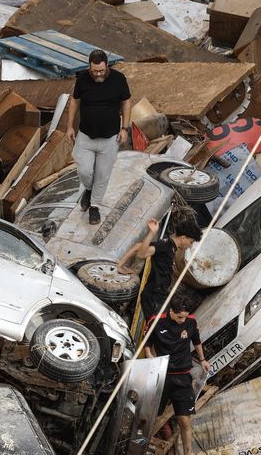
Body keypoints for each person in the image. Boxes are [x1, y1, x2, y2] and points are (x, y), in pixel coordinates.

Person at [144, 291, 210, 455]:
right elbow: (147, 345)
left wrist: (203, 360)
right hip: (162, 377)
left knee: (185, 422)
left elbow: (196, 341)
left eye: (184, 316)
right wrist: (152, 361)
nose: (182, 320)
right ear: (171, 312)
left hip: (182, 379)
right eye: (179, 316)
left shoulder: (190, 321)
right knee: (149, 418)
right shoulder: (156, 321)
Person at [66, 49, 131, 226]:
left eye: (101, 71)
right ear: (89, 67)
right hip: (86, 135)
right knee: (85, 171)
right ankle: (88, 189)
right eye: (94, 71)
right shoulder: (83, 79)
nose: (98, 74)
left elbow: (126, 102)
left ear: (106, 65)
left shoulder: (119, 79)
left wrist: (125, 127)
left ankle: (94, 206)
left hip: (110, 137)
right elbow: (75, 101)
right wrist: (69, 126)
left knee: (103, 175)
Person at [118, 216, 202, 320]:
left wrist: (119, 265)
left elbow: (138, 246)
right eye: (191, 242)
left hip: (158, 296)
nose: (190, 246)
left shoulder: (168, 245)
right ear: (183, 238)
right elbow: (141, 253)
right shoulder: (166, 246)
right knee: (157, 328)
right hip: (153, 297)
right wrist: (152, 233)